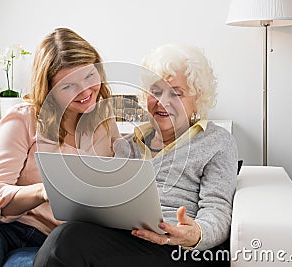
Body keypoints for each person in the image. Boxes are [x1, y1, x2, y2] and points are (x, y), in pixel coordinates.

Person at [33, 44, 238, 266]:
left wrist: (195, 233)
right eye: (156, 92)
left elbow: (218, 209)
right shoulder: (127, 145)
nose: (163, 101)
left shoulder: (216, 141)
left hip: (179, 248)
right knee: (66, 235)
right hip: (126, 240)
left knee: (66, 241)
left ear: (197, 98)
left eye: (176, 93)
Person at [0, 27, 120, 267]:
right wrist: (44, 191)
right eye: (68, 86)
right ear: (49, 88)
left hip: (46, 241)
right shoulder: (24, 118)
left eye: (88, 76)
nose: (85, 90)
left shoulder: (105, 122)